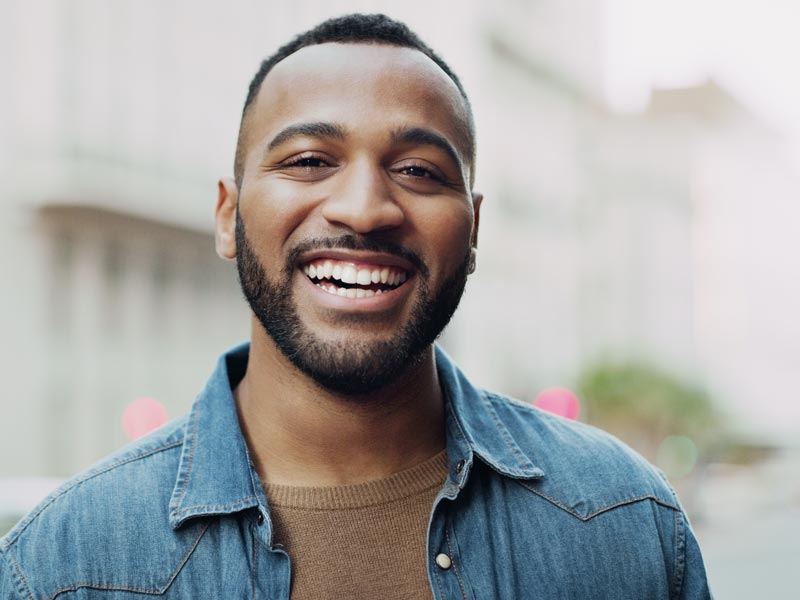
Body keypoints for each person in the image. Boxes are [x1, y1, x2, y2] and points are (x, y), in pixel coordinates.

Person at [0, 13, 711, 599]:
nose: (365, 209)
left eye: (418, 172)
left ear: (474, 229)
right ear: (228, 216)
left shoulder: (627, 525)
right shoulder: (60, 569)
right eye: (309, 160)